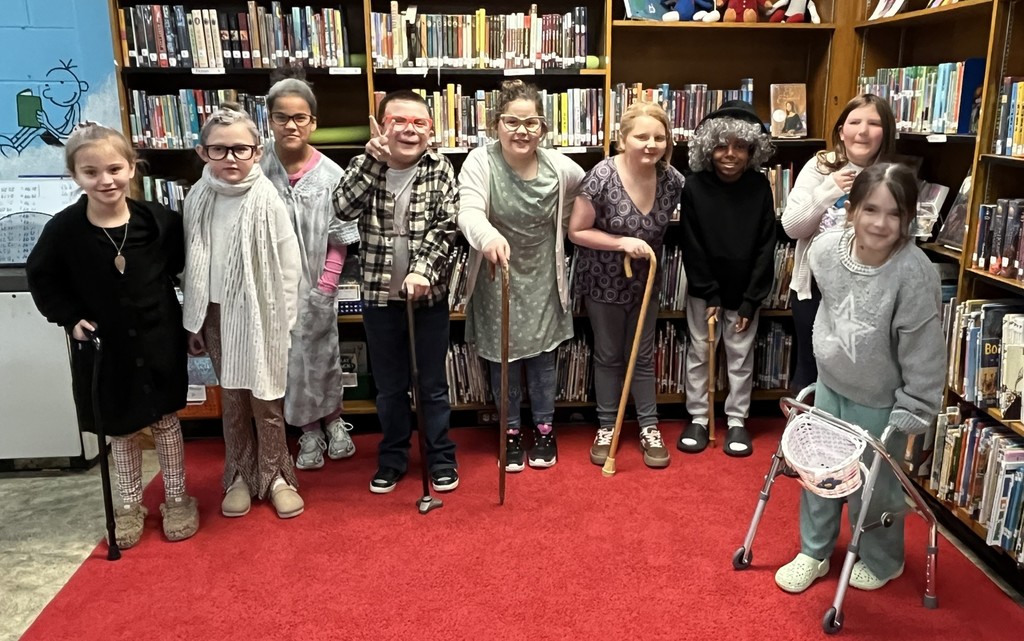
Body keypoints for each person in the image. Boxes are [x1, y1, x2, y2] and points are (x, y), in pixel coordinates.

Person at [774, 162, 945, 593]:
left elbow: (925, 350)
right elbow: (826, 310)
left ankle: (883, 560)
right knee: (820, 478)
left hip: (882, 401)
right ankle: (813, 551)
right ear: (851, 211)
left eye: (894, 214)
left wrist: (917, 406)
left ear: (909, 219)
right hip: (832, 387)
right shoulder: (826, 251)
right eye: (870, 209)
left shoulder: (914, 272)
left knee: (876, 490)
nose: (881, 223)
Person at [26, 122, 198, 548]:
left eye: (115, 168)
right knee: (120, 428)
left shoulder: (158, 221)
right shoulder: (64, 230)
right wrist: (68, 317)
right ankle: (127, 503)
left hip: (159, 339)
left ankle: (176, 497)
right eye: (91, 172)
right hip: (106, 347)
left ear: (132, 168)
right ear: (76, 176)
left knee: (164, 420)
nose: (105, 180)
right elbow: (42, 277)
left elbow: (183, 265)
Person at [332, 90, 460, 494]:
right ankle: (393, 457)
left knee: (432, 385)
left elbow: (447, 227)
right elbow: (342, 208)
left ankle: (440, 456)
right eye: (398, 121)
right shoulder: (362, 165)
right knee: (389, 387)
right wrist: (373, 161)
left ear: (431, 129)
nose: (408, 130)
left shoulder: (440, 169)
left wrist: (422, 271)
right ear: (382, 126)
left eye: (418, 123)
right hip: (378, 298)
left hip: (428, 298)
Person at [181, 104, 303, 519]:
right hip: (216, 313)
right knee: (232, 399)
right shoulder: (197, 197)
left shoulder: (267, 199)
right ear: (203, 153)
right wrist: (195, 320)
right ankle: (237, 475)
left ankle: (275, 476)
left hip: (261, 312)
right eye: (219, 150)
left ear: (258, 150)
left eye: (240, 149)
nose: (230, 158)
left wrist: (284, 323)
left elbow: (290, 267)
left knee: (266, 398)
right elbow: (193, 260)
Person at [457, 79, 585, 471]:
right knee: (503, 360)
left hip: (543, 275)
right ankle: (509, 432)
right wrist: (488, 236)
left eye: (531, 123)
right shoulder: (480, 161)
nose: (522, 131)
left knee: (544, 360)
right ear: (496, 123)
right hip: (498, 274)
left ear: (543, 128)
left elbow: (584, 195)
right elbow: (469, 211)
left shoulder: (560, 167)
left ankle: (545, 428)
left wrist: (568, 226)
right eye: (512, 121)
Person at [568, 101, 684, 469]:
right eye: (641, 136)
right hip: (603, 281)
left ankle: (649, 426)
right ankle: (607, 426)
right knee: (609, 355)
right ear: (623, 139)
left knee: (643, 356)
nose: (651, 144)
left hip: (646, 283)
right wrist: (621, 243)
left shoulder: (672, 181)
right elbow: (577, 232)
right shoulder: (600, 177)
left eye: (659, 137)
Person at [262, 68, 360, 471]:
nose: (291, 125)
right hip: (270, 286)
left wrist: (326, 284)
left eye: (300, 117)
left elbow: (340, 237)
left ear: (313, 122)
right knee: (286, 360)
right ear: (269, 120)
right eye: (282, 117)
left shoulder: (332, 175)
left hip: (318, 283)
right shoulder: (257, 169)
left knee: (322, 354)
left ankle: (335, 421)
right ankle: (307, 431)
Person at [677, 100, 777, 457]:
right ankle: (699, 418)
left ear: (753, 150)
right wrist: (709, 293)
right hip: (706, 293)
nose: (730, 154)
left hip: (745, 291)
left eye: (740, 146)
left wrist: (752, 298)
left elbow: (767, 246)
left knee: (740, 356)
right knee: (700, 354)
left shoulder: (760, 188)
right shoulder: (694, 187)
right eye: (721, 145)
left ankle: (737, 420)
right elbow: (692, 244)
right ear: (708, 148)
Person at [781, 94, 896, 392]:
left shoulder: (892, 176)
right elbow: (792, 227)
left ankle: (845, 438)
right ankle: (803, 437)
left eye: (874, 123)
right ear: (841, 130)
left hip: (868, 294)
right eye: (855, 122)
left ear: (886, 132)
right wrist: (827, 192)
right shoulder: (820, 167)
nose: (863, 131)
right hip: (815, 290)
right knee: (810, 371)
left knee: (854, 377)